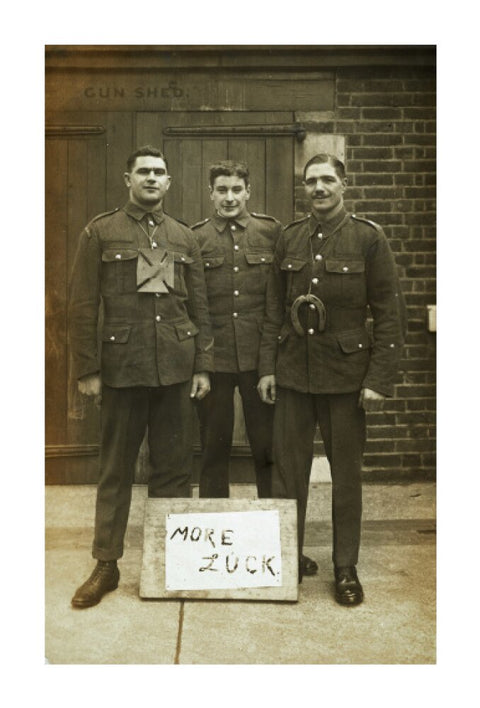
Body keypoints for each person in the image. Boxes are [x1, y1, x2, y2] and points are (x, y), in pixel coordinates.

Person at [258, 153, 407, 605]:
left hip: (346, 378)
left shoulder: (368, 238)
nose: (318, 188)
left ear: (344, 184)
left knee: (346, 477)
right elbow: (272, 310)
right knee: (288, 475)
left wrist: (378, 378)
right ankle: (287, 560)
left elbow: (389, 314)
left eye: (327, 180)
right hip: (293, 376)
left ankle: (345, 569)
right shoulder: (289, 238)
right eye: (311, 181)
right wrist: (267, 367)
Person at [68, 145, 213, 608]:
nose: (152, 178)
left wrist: (202, 365)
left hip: (173, 369)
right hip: (122, 371)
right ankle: (106, 564)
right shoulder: (101, 232)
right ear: (127, 178)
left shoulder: (183, 237)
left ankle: (171, 561)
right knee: (115, 470)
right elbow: (82, 306)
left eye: (160, 172)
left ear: (169, 183)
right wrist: (89, 369)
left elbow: (200, 307)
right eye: (144, 172)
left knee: (173, 469)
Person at [191, 160, 319, 578]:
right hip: (214, 364)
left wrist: (268, 369)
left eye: (237, 189)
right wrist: (203, 367)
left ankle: (276, 546)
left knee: (269, 453)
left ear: (249, 192)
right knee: (213, 452)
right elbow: (198, 308)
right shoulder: (196, 238)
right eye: (221, 189)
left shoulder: (271, 233)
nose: (229, 197)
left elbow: (276, 306)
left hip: (260, 365)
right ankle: (212, 555)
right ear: (210, 194)